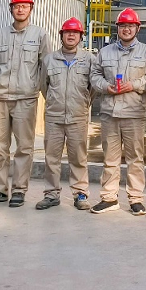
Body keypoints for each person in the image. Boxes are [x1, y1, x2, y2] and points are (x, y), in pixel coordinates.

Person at [0, 0, 54, 208]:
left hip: (26, 99)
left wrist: (40, 92)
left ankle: (19, 190)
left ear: (31, 9)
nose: (20, 9)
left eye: (25, 6)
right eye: (17, 6)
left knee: (24, 147)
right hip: (0, 97)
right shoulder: (0, 35)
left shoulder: (40, 35)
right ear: (11, 9)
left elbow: (45, 68)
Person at [89, 8, 146, 216]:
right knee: (110, 157)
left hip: (134, 113)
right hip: (110, 113)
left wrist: (134, 85)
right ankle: (109, 198)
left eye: (130, 26)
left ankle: (136, 199)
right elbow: (94, 75)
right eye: (123, 26)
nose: (126, 29)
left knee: (135, 158)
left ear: (137, 28)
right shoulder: (105, 52)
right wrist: (105, 87)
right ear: (117, 28)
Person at [36, 18, 93, 212]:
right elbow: (44, 86)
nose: (71, 35)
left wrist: (81, 103)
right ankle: (51, 194)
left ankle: (80, 193)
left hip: (78, 116)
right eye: (67, 32)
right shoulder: (49, 60)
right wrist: (55, 102)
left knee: (78, 157)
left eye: (75, 33)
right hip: (54, 117)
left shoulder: (89, 60)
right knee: (52, 157)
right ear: (61, 35)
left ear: (80, 37)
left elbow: (92, 89)